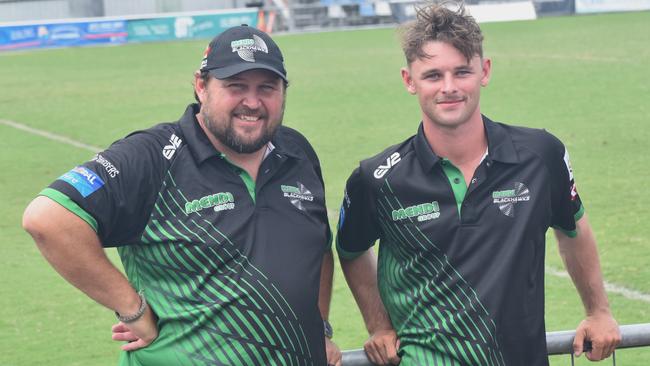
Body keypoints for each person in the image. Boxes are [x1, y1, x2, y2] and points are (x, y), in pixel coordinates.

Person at [23, 25, 341, 366]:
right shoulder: (151, 156)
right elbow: (48, 218)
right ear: (201, 86)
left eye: (267, 87)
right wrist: (133, 310)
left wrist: (318, 328)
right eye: (236, 86)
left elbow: (318, 249)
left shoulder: (297, 153)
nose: (253, 102)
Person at [336, 3, 620, 365]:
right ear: (409, 80)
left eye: (462, 72)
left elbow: (573, 229)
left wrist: (598, 311)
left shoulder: (540, 156)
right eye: (433, 75)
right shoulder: (376, 179)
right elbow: (350, 250)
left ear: (484, 71)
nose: (449, 87)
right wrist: (379, 325)